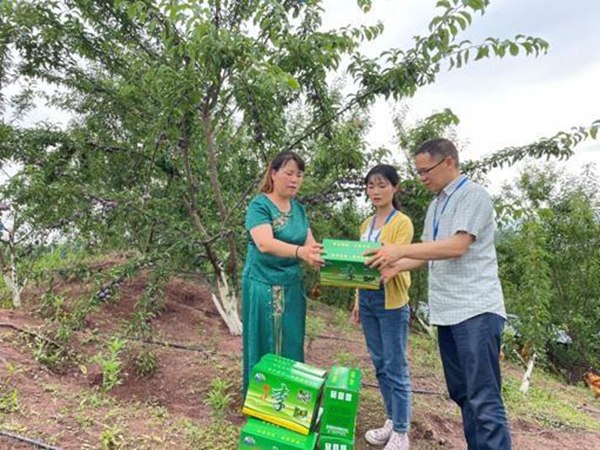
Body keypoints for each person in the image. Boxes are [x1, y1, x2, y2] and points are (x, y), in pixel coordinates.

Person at [365, 139, 512, 450]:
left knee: (483, 397)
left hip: (476, 311)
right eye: (417, 172)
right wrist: (394, 264)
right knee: (463, 394)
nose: (421, 178)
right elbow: (427, 254)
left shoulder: (473, 195)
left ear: (448, 163)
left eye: (425, 171)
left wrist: (398, 250)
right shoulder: (436, 205)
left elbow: (457, 246)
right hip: (447, 313)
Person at [242, 151, 324, 394]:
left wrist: (337, 259)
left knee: (291, 340)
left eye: (299, 175)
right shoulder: (260, 205)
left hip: (291, 286)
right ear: (274, 173)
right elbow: (264, 243)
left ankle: (287, 400)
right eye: (289, 173)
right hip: (263, 284)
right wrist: (301, 253)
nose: (294, 180)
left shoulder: (298, 210)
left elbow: (312, 246)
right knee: (266, 341)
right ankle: (262, 398)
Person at [351, 164, 414, 450]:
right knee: (379, 363)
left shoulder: (401, 222)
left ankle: (402, 432)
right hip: (368, 299)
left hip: (391, 300)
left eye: (382, 185)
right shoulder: (365, 224)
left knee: (396, 364)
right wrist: (356, 299)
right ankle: (391, 419)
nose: (375, 191)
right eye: (371, 186)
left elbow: (400, 260)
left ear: (394, 188)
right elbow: (357, 264)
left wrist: (390, 268)